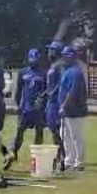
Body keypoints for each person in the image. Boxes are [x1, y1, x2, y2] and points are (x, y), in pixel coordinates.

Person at [12, 48, 47, 160]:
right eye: (32, 59)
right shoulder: (23, 72)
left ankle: (37, 154)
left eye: (35, 59)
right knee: (20, 130)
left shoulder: (43, 73)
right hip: (25, 107)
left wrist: (43, 102)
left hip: (38, 108)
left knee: (39, 130)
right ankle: (14, 151)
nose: (33, 61)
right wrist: (18, 105)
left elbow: (46, 90)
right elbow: (18, 90)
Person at [59, 46, 88, 171]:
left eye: (66, 56)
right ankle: (69, 160)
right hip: (67, 110)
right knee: (64, 135)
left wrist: (64, 105)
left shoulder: (76, 72)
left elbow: (72, 91)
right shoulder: (67, 70)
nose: (64, 58)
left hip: (75, 109)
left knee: (76, 136)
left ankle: (79, 162)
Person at [44, 41, 66, 169]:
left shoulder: (60, 66)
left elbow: (61, 83)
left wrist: (52, 93)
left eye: (51, 51)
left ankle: (62, 156)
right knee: (53, 130)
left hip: (56, 102)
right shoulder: (53, 65)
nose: (49, 53)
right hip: (50, 101)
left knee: (57, 131)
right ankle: (59, 155)